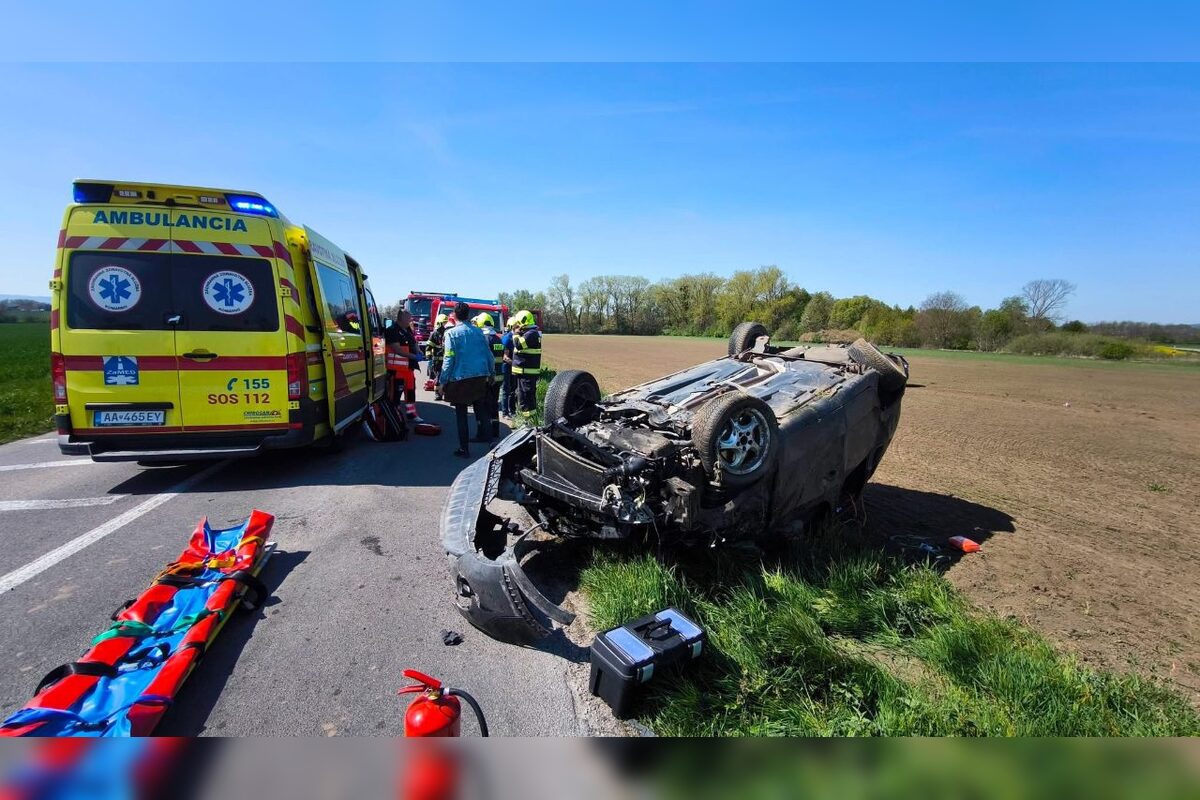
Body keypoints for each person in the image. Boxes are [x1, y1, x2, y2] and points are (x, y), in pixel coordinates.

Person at [438, 301, 494, 457]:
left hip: (460, 378)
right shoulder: (479, 332)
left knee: (461, 414)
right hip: (480, 376)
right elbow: (488, 354)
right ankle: (491, 445)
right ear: (469, 315)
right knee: (482, 411)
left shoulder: (450, 334)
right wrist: (491, 373)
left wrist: (443, 381)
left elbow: (448, 359)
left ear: (454, 315)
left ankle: (464, 449)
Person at [472, 312, 505, 441]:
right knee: (494, 405)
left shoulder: (482, 339)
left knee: (481, 406)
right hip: (498, 378)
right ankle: (495, 431)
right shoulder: (498, 339)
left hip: (486, 379)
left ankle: (482, 434)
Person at [385, 309, 422, 421]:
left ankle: (411, 414)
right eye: (409, 318)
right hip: (396, 370)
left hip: (408, 369)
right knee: (395, 395)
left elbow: (413, 342)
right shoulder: (392, 330)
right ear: (402, 318)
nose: (410, 320)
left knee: (410, 392)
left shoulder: (407, 330)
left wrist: (418, 351)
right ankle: (394, 416)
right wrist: (414, 356)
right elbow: (397, 349)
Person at [511, 310, 543, 419]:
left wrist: (515, 333)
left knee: (527, 397)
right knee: (523, 396)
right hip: (524, 372)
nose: (518, 325)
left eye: (518, 323)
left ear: (524, 321)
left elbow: (518, 344)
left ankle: (530, 421)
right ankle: (527, 420)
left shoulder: (531, 334)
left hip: (527, 372)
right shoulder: (530, 333)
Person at [427, 313, 450, 400]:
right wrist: (428, 356)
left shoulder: (447, 333)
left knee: (446, 377)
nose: (445, 324)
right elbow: (429, 346)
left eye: (446, 322)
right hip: (437, 361)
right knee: (438, 377)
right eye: (444, 323)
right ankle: (437, 393)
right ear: (439, 323)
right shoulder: (434, 334)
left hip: (446, 360)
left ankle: (444, 392)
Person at [500, 317, 516, 417]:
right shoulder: (507, 339)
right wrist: (515, 363)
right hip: (507, 368)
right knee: (506, 389)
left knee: (513, 390)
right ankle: (505, 412)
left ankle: (513, 411)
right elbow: (505, 357)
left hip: (513, 368)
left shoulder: (516, 338)